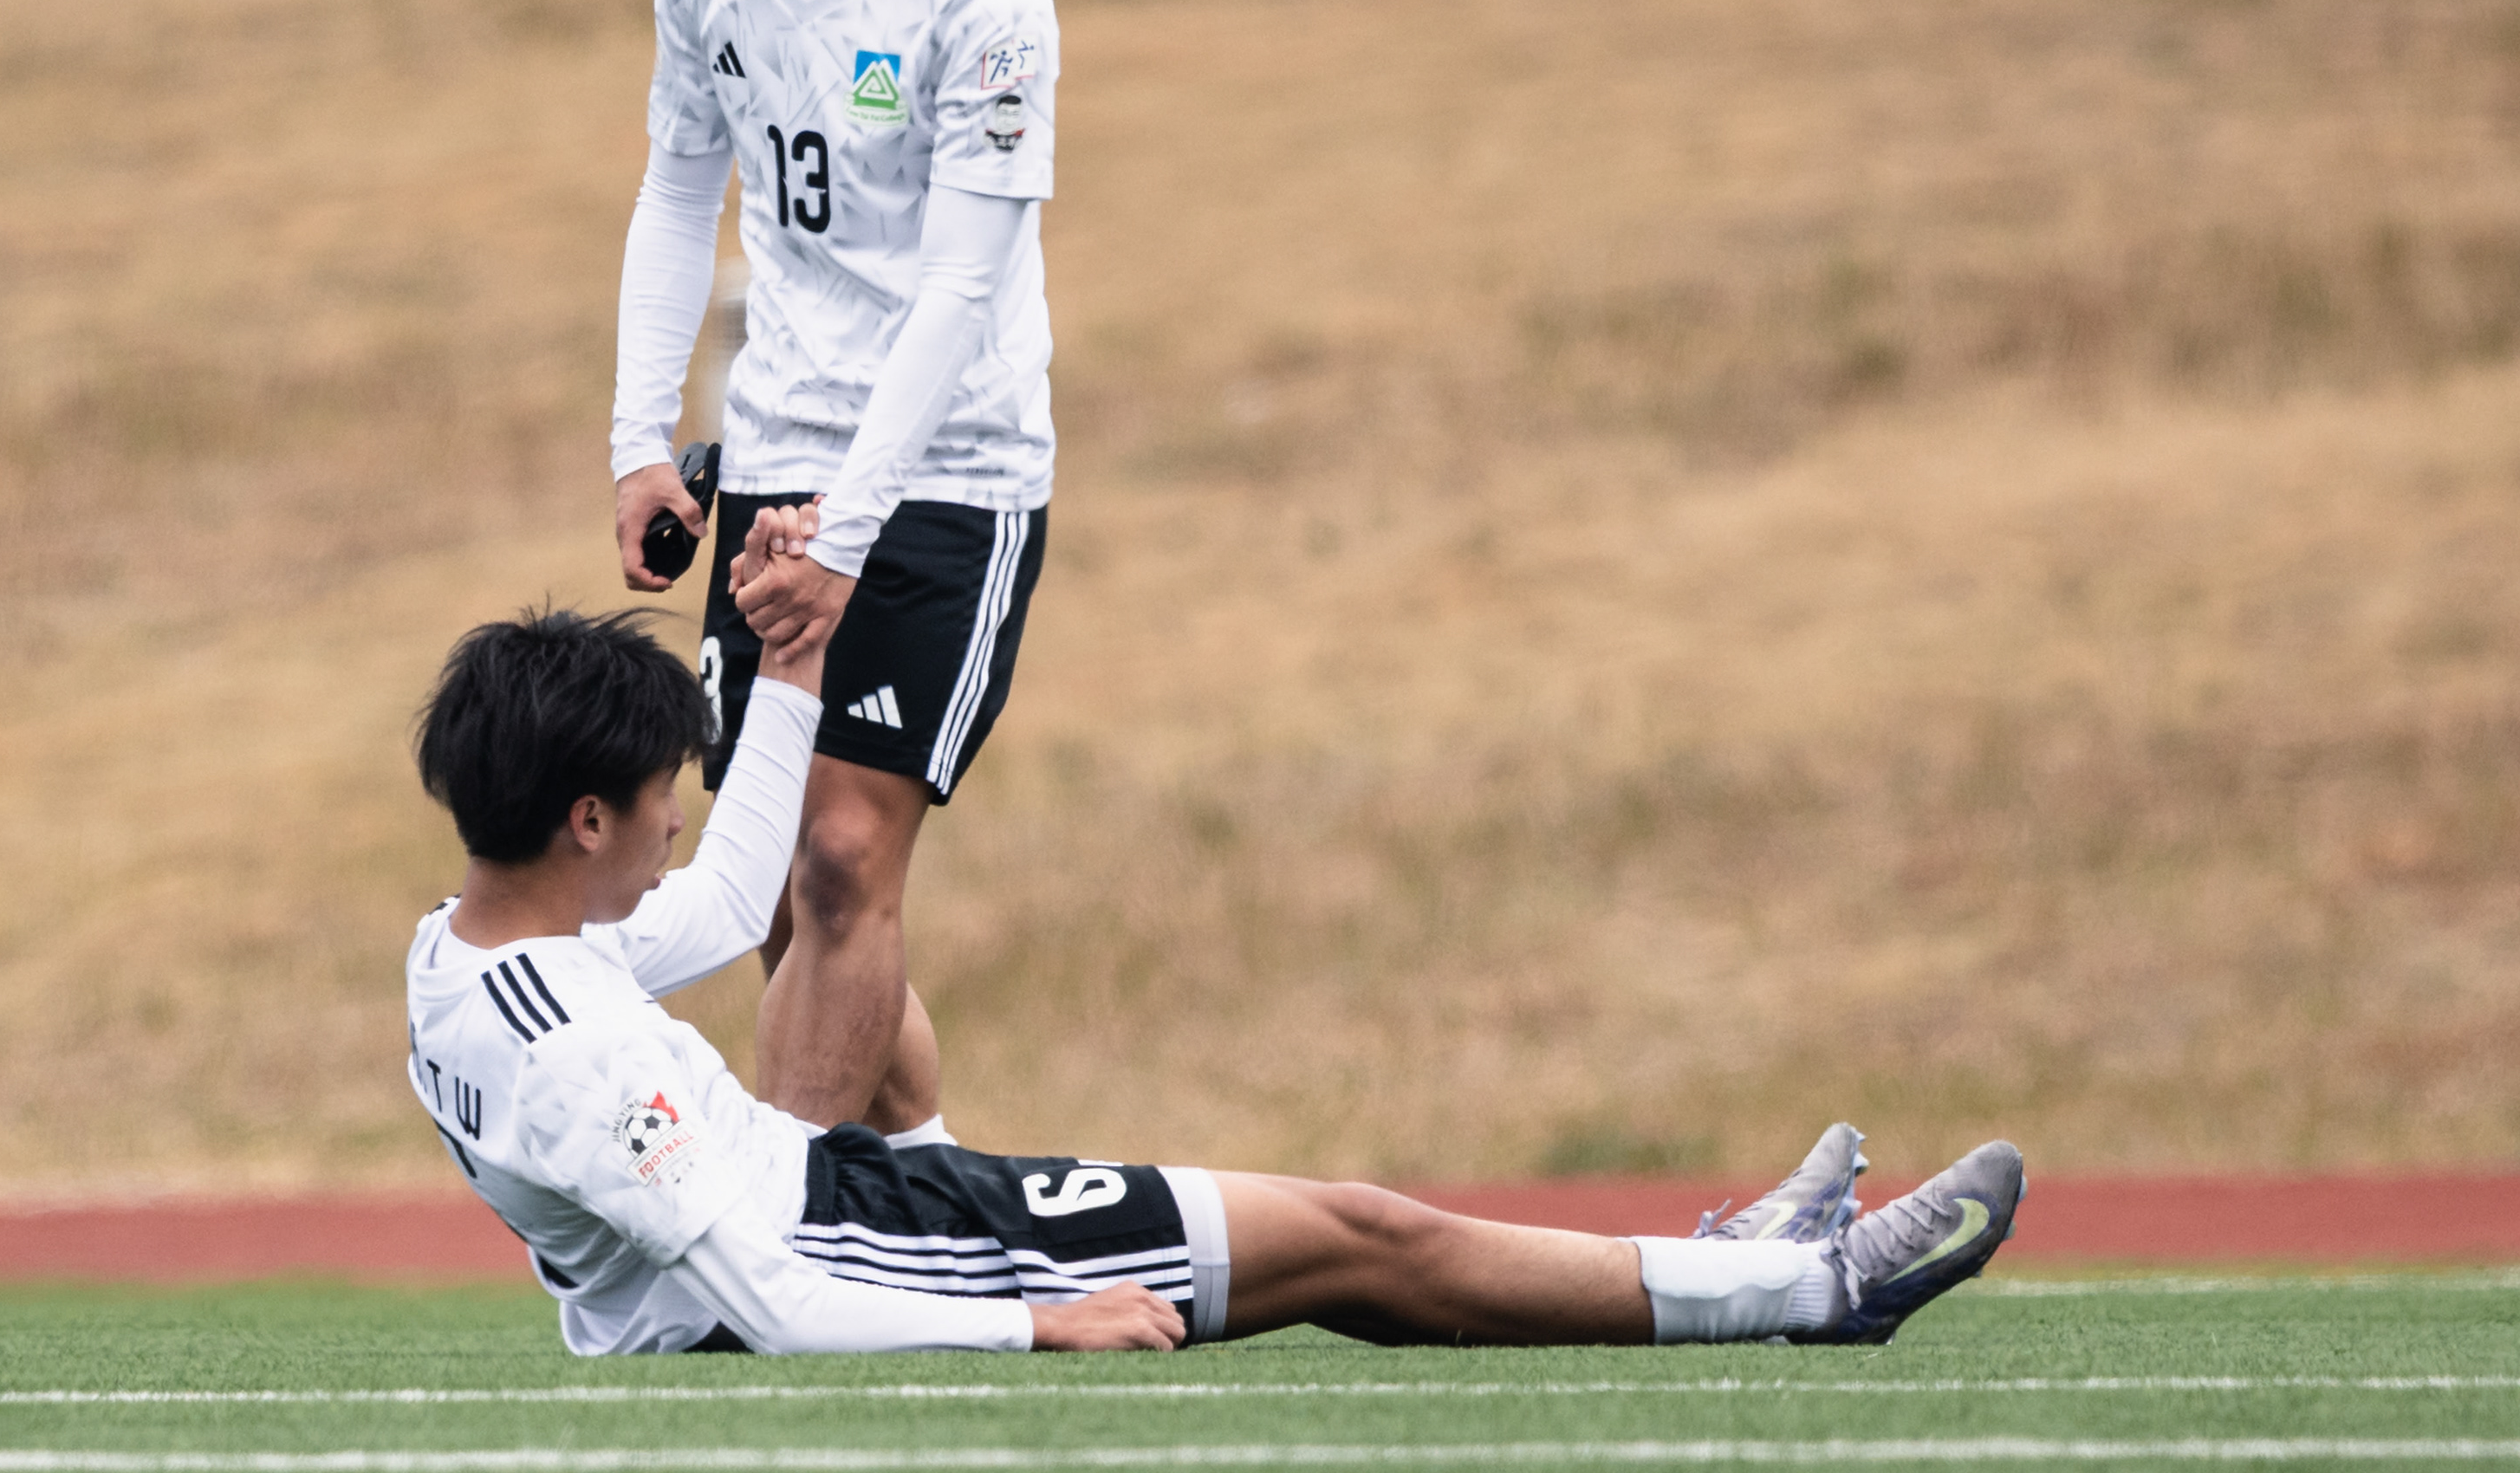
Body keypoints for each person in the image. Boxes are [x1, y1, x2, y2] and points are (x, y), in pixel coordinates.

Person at [403, 520, 2025, 1358]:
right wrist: (1037, 1321)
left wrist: (797, 662)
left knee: (899, 1029)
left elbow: (724, 891)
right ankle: (1805, 1291)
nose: (679, 814)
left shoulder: (464, 954)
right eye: (656, 792)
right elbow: (770, 1296)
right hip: (863, 1248)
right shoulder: (579, 1046)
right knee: (1360, 1234)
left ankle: (1730, 1263)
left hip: (851, 1205)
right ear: (587, 823)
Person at [606, 0, 1057, 1145]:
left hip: (945, 476)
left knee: (849, 861)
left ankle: (776, 1246)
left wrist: (850, 544)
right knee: (789, 902)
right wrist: (640, 442)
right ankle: (940, 1198)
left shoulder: (986, 2)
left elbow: (957, 294)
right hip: (777, 464)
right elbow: (677, 192)